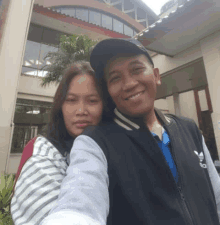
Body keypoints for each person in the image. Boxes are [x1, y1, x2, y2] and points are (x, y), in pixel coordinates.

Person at [40, 38, 220, 225]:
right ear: (109, 90)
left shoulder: (188, 129)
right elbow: (79, 203)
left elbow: (216, 196)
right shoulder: (95, 143)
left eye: (136, 69)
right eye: (115, 78)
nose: (128, 84)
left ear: (156, 75)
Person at [11, 61, 104, 225]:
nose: (81, 110)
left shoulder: (112, 150)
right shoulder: (43, 153)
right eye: (71, 100)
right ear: (60, 106)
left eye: (92, 100)